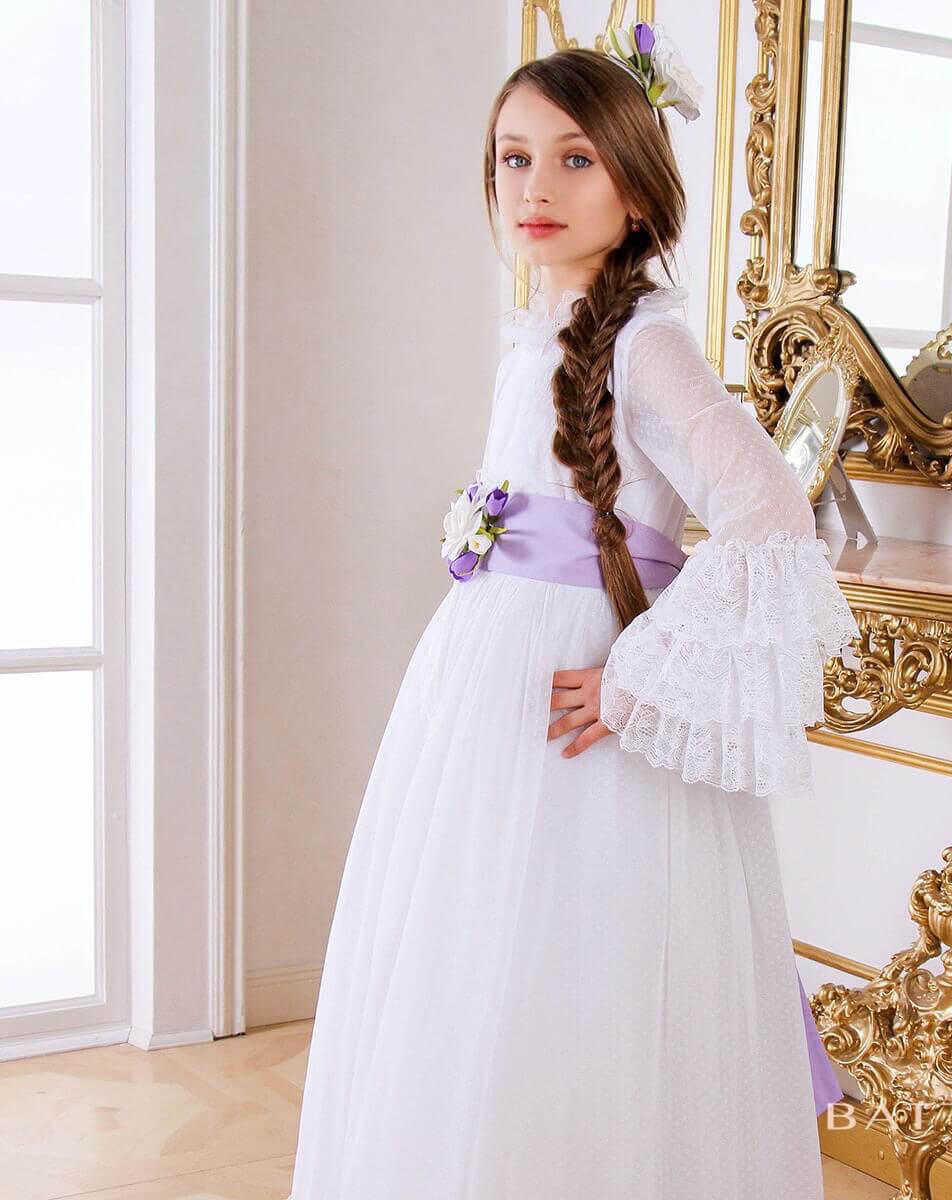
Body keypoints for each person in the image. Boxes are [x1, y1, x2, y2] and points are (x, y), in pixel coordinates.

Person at [287, 22, 858, 1200]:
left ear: (636, 189)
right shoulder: (536, 335)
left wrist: (641, 678)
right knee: (484, 962)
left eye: (574, 159)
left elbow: (770, 517)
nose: (533, 187)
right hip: (486, 687)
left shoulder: (648, 348)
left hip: (573, 701)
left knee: (582, 965)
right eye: (513, 158)